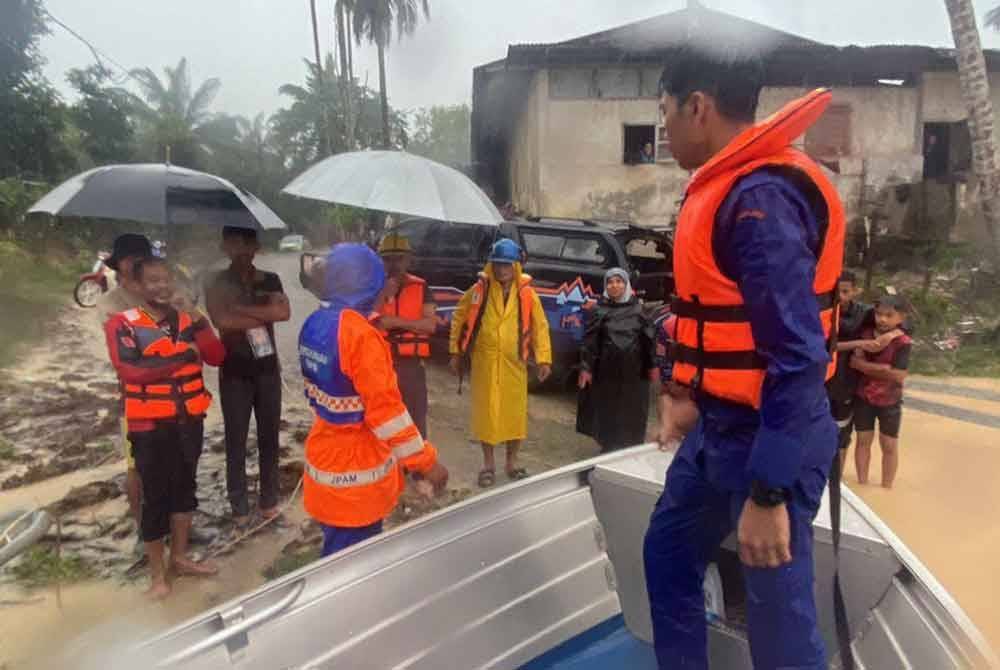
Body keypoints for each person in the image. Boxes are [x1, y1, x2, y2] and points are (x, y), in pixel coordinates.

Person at [643, 47, 845, 670]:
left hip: (775, 438)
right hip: (720, 430)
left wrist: (769, 493)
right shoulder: (724, 189)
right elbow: (712, 322)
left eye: (665, 114)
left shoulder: (760, 203)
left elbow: (796, 357)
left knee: (778, 626)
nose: (664, 131)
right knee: (668, 552)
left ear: (697, 107)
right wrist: (683, 394)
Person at [299, 244, 449, 557]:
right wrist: (427, 463)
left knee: (335, 554)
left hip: (325, 465)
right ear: (368, 286)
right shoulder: (361, 337)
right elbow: (388, 415)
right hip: (357, 481)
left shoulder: (315, 324)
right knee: (353, 567)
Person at [104, 257, 225, 599]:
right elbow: (131, 371)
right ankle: (157, 576)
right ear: (137, 287)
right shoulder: (121, 324)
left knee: (185, 490)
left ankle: (181, 558)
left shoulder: (188, 319)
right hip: (149, 424)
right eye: (152, 281)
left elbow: (216, 355)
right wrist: (183, 356)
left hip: (188, 420)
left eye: (165, 280)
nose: (160, 287)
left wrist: (197, 317)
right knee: (154, 498)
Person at [448, 238, 553, 488]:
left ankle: (512, 463)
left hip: (514, 363)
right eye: (498, 264)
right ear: (491, 265)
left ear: (515, 266)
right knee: (487, 415)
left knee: (514, 415)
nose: (502, 269)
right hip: (485, 362)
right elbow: (459, 316)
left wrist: (544, 358)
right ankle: (488, 465)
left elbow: (540, 326)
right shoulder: (479, 291)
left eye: (507, 265)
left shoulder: (527, 294)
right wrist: (455, 352)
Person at [205, 226, 290, 526]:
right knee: (235, 439)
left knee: (270, 437)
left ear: (256, 247)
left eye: (247, 245)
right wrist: (262, 310)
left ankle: (269, 502)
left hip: (267, 369)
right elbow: (222, 321)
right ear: (225, 247)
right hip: (234, 372)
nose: (241, 252)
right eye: (234, 245)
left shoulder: (271, 279)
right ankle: (239, 507)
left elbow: (284, 314)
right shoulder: (215, 281)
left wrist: (240, 308)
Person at [96, 234, 154, 530]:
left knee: (174, 463)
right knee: (137, 467)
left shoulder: (159, 292)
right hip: (135, 396)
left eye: (142, 256)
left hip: (174, 395)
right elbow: (128, 353)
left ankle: (177, 523)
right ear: (118, 264)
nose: (137, 262)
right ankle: (143, 529)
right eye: (131, 257)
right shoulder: (111, 303)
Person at [576, 268, 656, 452]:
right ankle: (607, 446)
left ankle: (629, 448)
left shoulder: (640, 310)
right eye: (610, 282)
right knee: (607, 409)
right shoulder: (598, 310)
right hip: (606, 370)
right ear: (606, 286)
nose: (615, 285)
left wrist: (652, 366)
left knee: (632, 409)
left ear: (626, 284)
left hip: (634, 372)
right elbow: (590, 342)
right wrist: (586, 368)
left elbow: (648, 340)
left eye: (619, 281)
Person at [374, 233, 437, 437]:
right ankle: (390, 468)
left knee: (415, 421)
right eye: (387, 258)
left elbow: (430, 325)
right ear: (379, 260)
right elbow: (361, 322)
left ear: (409, 259)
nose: (393, 264)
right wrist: (383, 295)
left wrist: (396, 322)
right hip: (377, 365)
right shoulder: (370, 287)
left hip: (411, 366)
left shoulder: (421, 287)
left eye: (399, 258)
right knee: (381, 422)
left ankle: (418, 467)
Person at [850, 294, 912, 489]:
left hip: (890, 401)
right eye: (879, 314)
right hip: (864, 397)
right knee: (862, 441)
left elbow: (899, 375)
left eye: (889, 315)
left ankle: (887, 487)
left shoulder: (903, 342)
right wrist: (883, 369)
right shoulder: (865, 334)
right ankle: (862, 485)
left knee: (889, 445)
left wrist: (864, 366)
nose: (883, 319)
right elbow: (853, 361)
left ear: (900, 318)